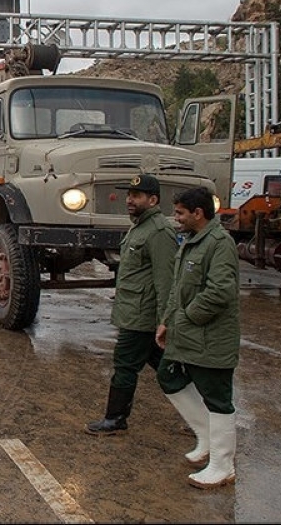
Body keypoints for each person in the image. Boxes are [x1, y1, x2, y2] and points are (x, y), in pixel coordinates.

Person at [156, 186, 241, 490]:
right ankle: (206, 439)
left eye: (179, 212)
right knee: (168, 376)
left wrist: (186, 317)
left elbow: (220, 292)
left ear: (198, 214)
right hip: (186, 333)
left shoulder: (219, 243)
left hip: (210, 337)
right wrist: (167, 321)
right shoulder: (193, 241)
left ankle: (222, 465)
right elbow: (179, 288)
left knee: (218, 398)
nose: (175, 217)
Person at [85, 174, 177, 436]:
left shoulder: (159, 232)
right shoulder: (140, 227)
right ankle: (203, 414)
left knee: (125, 365)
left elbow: (165, 281)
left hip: (143, 316)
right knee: (167, 367)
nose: (129, 200)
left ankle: (115, 419)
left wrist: (165, 320)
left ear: (153, 199)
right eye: (129, 195)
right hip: (135, 313)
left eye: (136, 196)